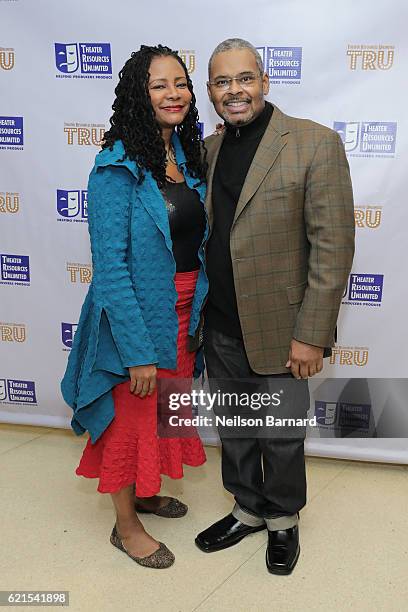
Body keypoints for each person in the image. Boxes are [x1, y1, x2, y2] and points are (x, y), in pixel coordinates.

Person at [195, 38, 355, 575]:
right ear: (211, 92)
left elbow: (332, 248)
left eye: (244, 78)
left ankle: (283, 520)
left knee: (282, 433)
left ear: (265, 81)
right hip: (220, 322)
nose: (234, 90)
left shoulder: (314, 143)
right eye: (222, 82)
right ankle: (246, 508)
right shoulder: (211, 149)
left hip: (284, 327)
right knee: (235, 428)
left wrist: (312, 333)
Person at [61, 44, 209, 569]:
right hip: (137, 324)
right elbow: (112, 270)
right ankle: (125, 526)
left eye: (180, 83)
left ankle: (145, 493)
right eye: (159, 85)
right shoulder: (115, 168)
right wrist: (137, 353)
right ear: (136, 96)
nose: (174, 94)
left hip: (183, 316)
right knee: (128, 422)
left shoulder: (188, 158)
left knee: (160, 416)